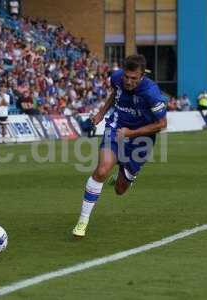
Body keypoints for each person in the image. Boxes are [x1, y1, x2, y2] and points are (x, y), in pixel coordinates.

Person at [72, 54, 167, 237]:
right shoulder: (116, 78)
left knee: (119, 190)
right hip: (116, 127)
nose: (129, 81)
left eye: (134, 78)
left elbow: (162, 124)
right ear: (123, 72)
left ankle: (124, 174)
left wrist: (131, 133)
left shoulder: (152, 93)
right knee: (101, 170)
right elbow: (115, 92)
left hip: (141, 139)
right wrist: (101, 113)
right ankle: (82, 222)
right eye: (126, 77)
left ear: (142, 76)